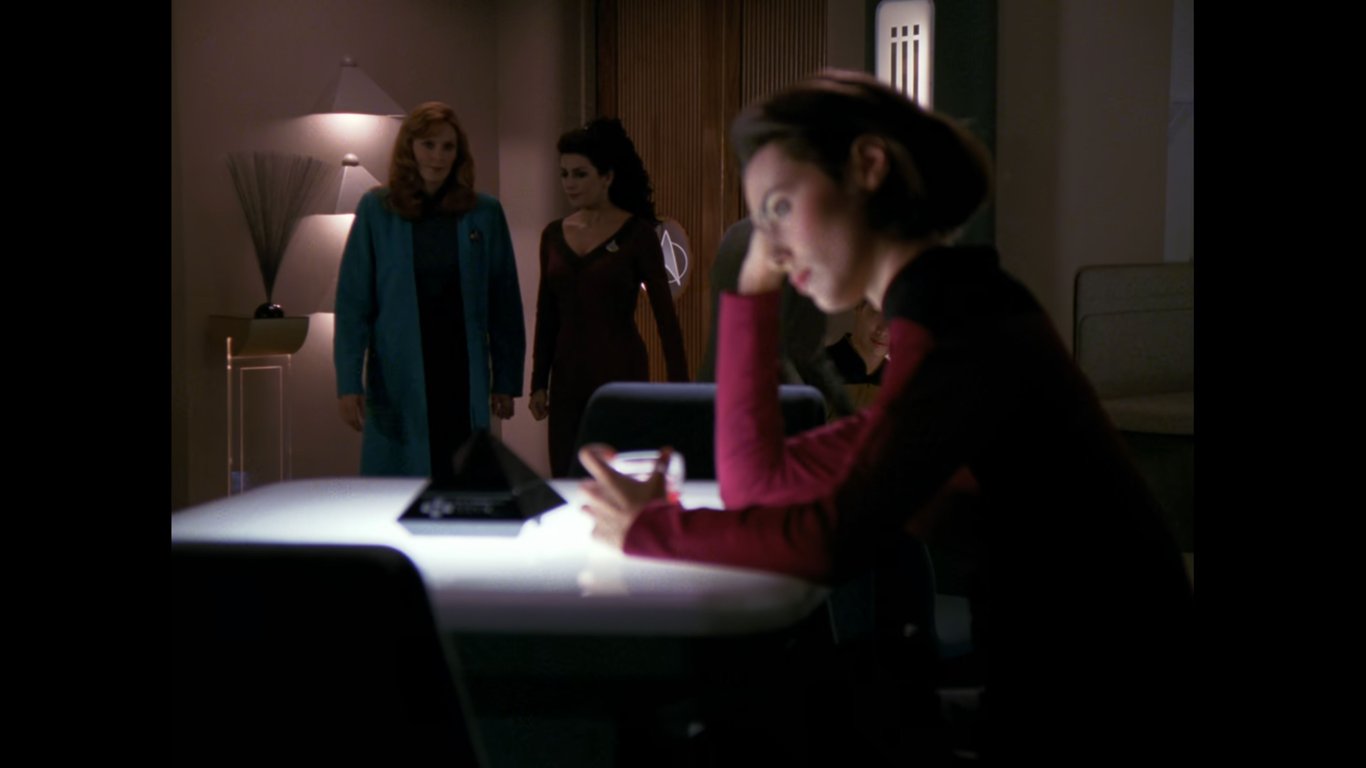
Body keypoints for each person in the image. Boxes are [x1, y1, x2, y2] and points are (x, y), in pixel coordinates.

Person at [577, 70, 1193, 763]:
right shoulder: (950, 311)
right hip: (1056, 684)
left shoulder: (962, 322)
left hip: (1106, 703)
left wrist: (650, 530)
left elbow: (828, 541)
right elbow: (760, 484)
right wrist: (751, 291)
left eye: (779, 207)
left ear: (868, 166)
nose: (769, 243)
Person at [334, 101, 525, 484]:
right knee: (398, 480)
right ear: (410, 148)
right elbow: (354, 304)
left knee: (464, 479)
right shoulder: (377, 209)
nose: (437, 156)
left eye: (447, 147)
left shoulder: (484, 213)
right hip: (398, 372)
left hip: (462, 370)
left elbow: (504, 301)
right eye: (428, 144)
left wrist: (506, 380)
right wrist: (349, 382)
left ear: (459, 154)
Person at [529, 118, 689, 476]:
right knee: (568, 478)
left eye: (580, 174)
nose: (570, 183)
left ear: (606, 177)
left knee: (621, 479)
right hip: (567, 378)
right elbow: (547, 313)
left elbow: (666, 318)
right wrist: (538, 382)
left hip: (620, 374)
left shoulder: (638, 235)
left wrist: (681, 390)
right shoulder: (553, 236)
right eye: (564, 174)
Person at [699, 217, 855, 418]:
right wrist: (849, 412)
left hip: (712, 389)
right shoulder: (803, 245)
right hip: (772, 401)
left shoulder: (737, 233)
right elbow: (807, 350)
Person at [824, 299, 889, 411]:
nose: (883, 331)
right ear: (858, 305)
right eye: (877, 312)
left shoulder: (902, 385)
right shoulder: (814, 369)